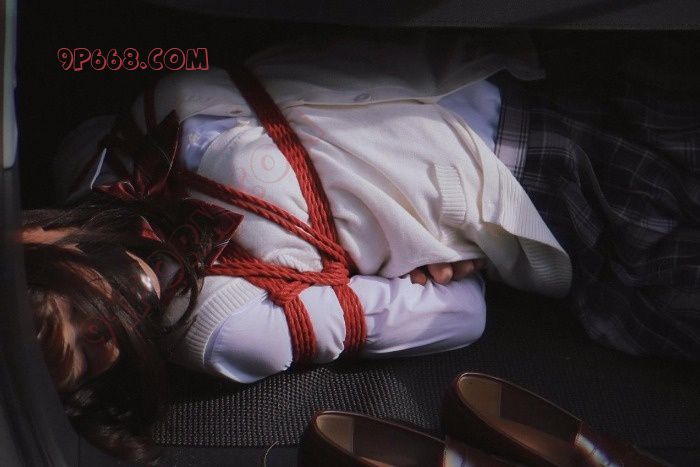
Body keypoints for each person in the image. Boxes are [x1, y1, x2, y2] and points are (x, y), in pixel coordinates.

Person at [22, 31, 699, 462]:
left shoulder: (92, 154)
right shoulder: (218, 327)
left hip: (523, 66)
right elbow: (463, 314)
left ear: (32, 235)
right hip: (553, 185)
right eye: (87, 357)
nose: (101, 327)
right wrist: (437, 267)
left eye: (67, 311)